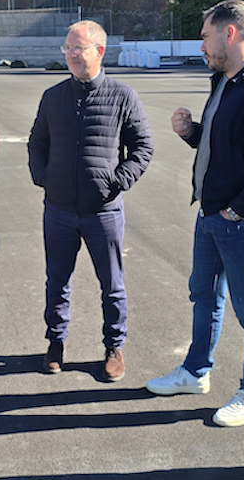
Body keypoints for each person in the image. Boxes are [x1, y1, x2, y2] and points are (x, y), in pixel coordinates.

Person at [145, 0, 244, 427]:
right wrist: (191, 132)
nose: (201, 45)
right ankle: (195, 373)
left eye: (205, 36)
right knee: (204, 295)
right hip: (213, 214)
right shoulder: (224, 80)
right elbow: (224, 144)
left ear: (230, 33)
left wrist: (236, 211)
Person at [27, 20, 153, 382]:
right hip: (59, 210)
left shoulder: (123, 96)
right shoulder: (52, 97)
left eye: (77, 48)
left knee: (112, 285)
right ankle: (55, 342)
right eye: (67, 48)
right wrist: (44, 177)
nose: (70, 54)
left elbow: (142, 147)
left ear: (99, 51)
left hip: (104, 212)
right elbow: (37, 142)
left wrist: (119, 181)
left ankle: (114, 347)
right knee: (57, 281)